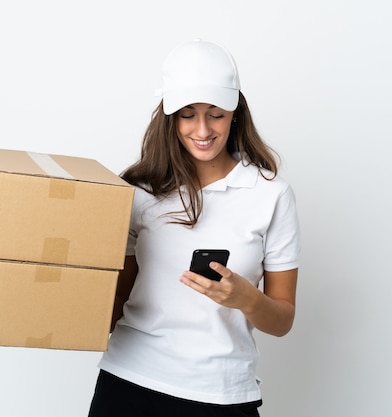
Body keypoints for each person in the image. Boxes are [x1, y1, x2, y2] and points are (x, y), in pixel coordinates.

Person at [88, 38, 301, 417]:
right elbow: (114, 301)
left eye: (215, 113)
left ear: (235, 112)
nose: (202, 129)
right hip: (129, 383)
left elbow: (283, 319)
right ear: (171, 118)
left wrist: (245, 298)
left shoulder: (271, 195)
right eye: (188, 114)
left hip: (220, 394)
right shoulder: (139, 191)